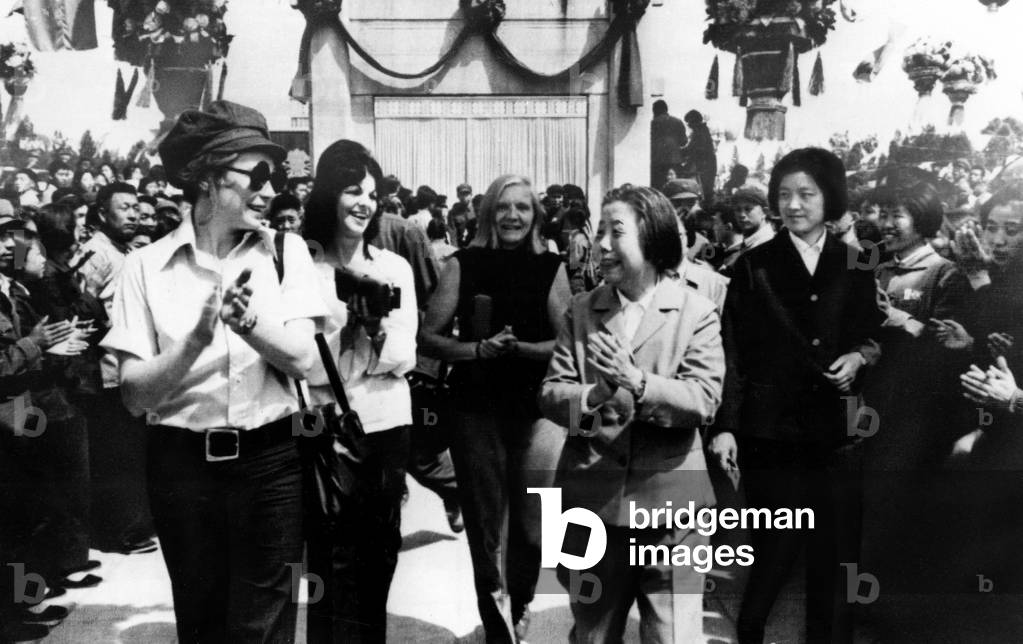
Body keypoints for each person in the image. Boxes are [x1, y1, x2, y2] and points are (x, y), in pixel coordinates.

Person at [100, 100, 325, 644]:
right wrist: (196, 342)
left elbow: (304, 359)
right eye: (258, 175)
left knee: (261, 628)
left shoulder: (286, 253)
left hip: (272, 464)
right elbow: (132, 395)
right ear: (205, 176)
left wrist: (248, 324)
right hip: (181, 470)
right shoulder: (144, 267)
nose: (270, 190)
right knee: (201, 627)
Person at [540, 184, 724, 642]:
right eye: (599, 230)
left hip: (674, 517)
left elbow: (704, 398)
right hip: (592, 508)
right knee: (592, 634)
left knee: (675, 637)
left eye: (615, 231)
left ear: (653, 237)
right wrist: (594, 396)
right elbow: (550, 394)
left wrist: (638, 382)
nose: (601, 243)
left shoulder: (695, 312)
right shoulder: (582, 311)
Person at [716, 148, 885, 644]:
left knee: (835, 559)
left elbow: (872, 334)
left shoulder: (857, 262)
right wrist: (727, 425)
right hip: (772, 435)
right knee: (773, 550)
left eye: (806, 194)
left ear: (829, 197)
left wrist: (858, 358)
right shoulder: (754, 266)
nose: (794, 205)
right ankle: (748, 634)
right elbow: (734, 353)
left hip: (838, 434)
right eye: (785, 195)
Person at [419, 174, 571, 643]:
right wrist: (478, 351)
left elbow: (567, 342)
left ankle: (521, 602)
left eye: (523, 208)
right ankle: (496, 622)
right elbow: (429, 337)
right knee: (484, 521)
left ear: (535, 215)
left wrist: (521, 349)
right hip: (475, 406)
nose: (513, 216)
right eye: (503, 207)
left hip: (535, 405)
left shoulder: (551, 266)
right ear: (488, 213)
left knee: (532, 521)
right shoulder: (462, 263)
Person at [300, 139, 418, 642]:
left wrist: (375, 332)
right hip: (326, 429)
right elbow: (304, 366)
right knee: (329, 557)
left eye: (372, 194)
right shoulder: (302, 269)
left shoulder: (393, 268)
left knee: (379, 553)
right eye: (353, 191)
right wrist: (346, 327)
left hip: (387, 427)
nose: (365, 203)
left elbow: (404, 357)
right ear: (329, 195)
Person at [680, 110, 717, 201]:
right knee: (706, 190)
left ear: (694, 121)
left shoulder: (700, 132)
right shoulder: (702, 130)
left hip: (706, 165)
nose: (688, 125)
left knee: (706, 191)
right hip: (708, 163)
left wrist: (680, 152)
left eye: (689, 122)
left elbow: (693, 149)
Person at [650, 100, 687, 188]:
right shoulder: (678, 122)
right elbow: (683, 142)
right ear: (666, 109)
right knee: (674, 186)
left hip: (657, 161)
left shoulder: (652, 123)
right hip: (675, 161)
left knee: (658, 186)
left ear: (654, 111)